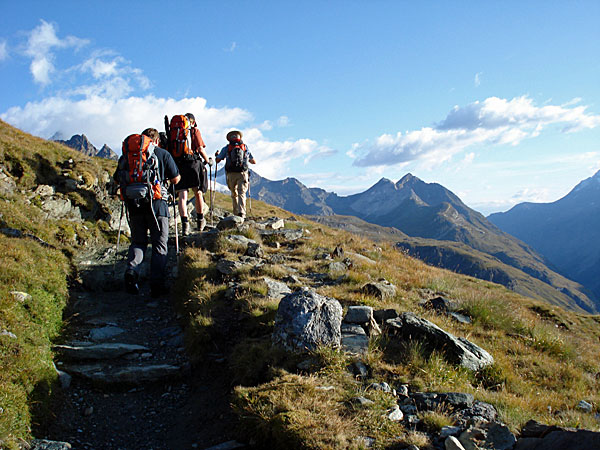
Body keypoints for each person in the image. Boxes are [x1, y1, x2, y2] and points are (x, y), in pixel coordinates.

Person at [117, 128, 180, 297]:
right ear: (156, 141)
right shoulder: (162, 153)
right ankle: (156, 286)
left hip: (134, 205)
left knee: (138, 242)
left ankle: (132, 270)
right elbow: (176, 178)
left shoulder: (128, 156)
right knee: (160, 245)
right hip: (157, 205)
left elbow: (118, 178)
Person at [174, 113, 210, 235]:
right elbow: (200, 148)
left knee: (182, 197)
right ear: (193, 122)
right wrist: (207, 160)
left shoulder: (175, 131)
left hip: (179, 164)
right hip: (193, 163)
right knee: (198, 192)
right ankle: (200, 221)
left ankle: (185, 225)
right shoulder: (194, 131)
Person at [215, 130, 256, 219]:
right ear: (239, 137)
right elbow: (253, 161)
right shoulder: (244, 147)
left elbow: (217, 160)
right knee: (242, 193)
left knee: (234, 193)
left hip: (231, 173)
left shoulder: (226, 148)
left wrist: (217, 155)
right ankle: (242, 213)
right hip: (242, 172)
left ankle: (235, 213)